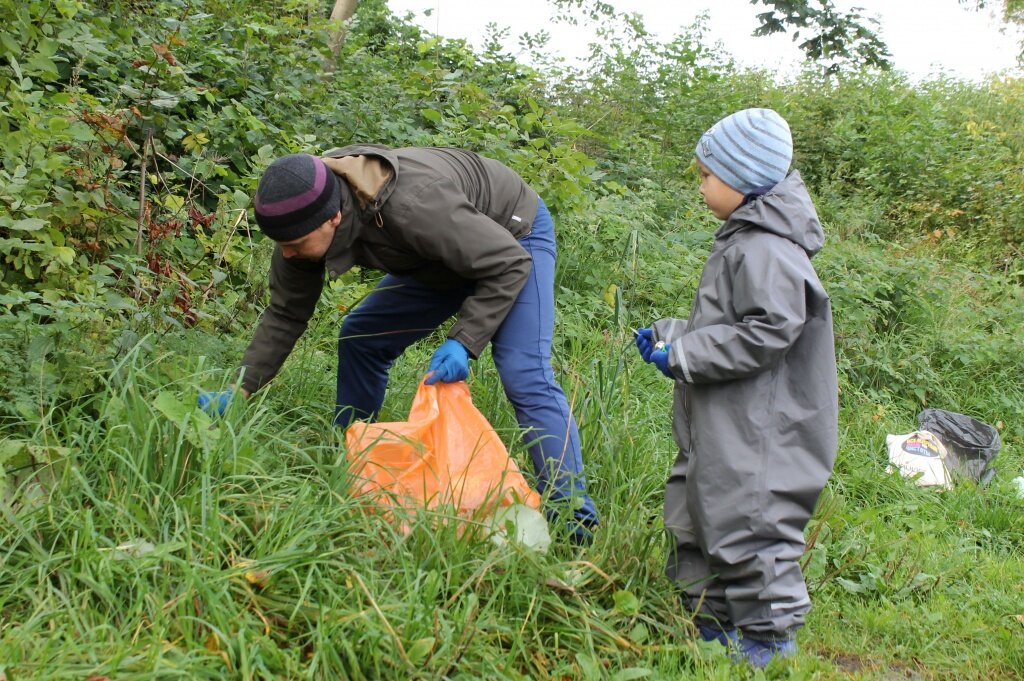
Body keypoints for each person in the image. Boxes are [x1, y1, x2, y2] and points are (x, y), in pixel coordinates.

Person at [201, 145, 599, 542]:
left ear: (334, 218)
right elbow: (286, 313)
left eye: (296, 244)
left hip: (512, 237)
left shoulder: (411, 205)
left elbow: (508, 263)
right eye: (282, 244)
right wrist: (243, 386)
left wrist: (464, 340)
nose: (288, 253)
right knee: (361, 338)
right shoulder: (301, 217)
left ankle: (574, 519)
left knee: (522, 370)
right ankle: (359, 464)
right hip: (438, 256)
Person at [634, 109, 838, 667]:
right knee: (697, 509)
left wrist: (687, 353)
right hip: (719, 420)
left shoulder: (766, 249)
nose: (699, 184)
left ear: (743, 179)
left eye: (705, 175)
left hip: (758, 428)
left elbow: (770, 331)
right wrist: (672, 339)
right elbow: (729, 326)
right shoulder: (745, 240)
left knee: (751, 520)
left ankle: (770, 639)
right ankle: (713, 622)